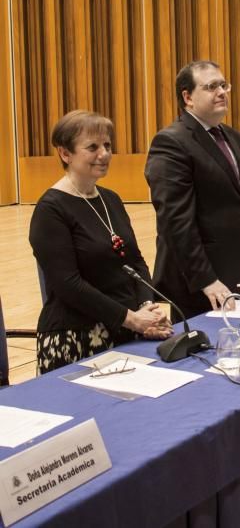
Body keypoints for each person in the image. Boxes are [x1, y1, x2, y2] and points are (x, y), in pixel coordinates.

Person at [145, 61, 240, 321]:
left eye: (224, 85)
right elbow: (175, 221)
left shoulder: (234, 138)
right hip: (201, 281)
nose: (222, 92)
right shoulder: (171, 142)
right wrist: (206, 279)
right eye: (212, 86)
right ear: (188, 97)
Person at [30, 110, 172, 374]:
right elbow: (68, 285)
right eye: (92, 147)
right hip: (76, 337)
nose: (104, 154)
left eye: (107, 145)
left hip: (127, 328)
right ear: (65, 154)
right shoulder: (51, 210)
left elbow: (135, 261)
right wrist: (132, 319)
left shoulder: (112, 199)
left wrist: (146, 308)